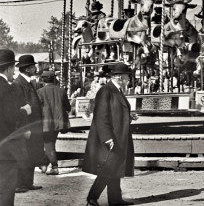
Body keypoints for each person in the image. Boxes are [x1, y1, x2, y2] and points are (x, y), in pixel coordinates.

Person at [83, 62, 136, 206]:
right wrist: (107, 137)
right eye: (127, 77)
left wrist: (129, 116)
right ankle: (92, 198)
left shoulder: (116, 90)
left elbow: (115, 112)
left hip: (119, 136)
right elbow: (101, 116)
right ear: (119, 77)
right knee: (109, 168)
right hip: (111, 137)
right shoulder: (106, 91)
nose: (129, 80)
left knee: (116, 167)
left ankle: (114, 199)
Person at [1, 49, 33, 206]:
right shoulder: (6, 88)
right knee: (7, 186)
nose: (14, 71)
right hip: (5, 146)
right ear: (7, 68)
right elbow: (10, 116)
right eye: (13, 67)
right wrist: (24, 110)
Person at [13, 54, 44, 193]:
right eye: (33, 66)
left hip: (34, 126)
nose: (35, 68)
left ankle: (28, 182)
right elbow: (20, 107)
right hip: (28, 126)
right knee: (24, 154)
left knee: (31, 153)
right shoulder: (18, 84)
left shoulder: (27, 82)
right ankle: (19, 184)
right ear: (27, 69)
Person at [37, 70, 70, 175]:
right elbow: (68, 107)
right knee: (51, 143)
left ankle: (54, 167)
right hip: (59, 122)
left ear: (43, 80)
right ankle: (44, 165)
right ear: (54, 79)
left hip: (46, 122)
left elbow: (37, 109)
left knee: (48, 144)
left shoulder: (40, 92)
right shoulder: (61, 91)